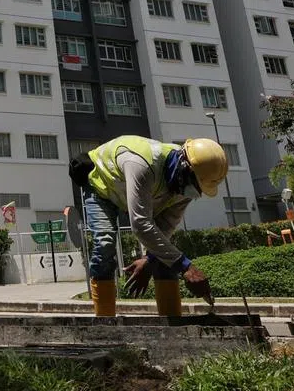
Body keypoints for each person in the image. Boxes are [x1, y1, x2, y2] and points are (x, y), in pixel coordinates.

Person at [68, 135, 228, 317]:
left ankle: (172, 323)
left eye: (199, 189)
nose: (192, 192)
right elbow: (141, 224)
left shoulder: (185, 186)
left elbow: (165, 226)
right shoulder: (143, 164)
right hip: (102, 186)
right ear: (183, 165)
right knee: (105, 245)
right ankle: (105, 320)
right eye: (193, 184)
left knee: (164, 256)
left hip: (131, 191)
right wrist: (186, 267)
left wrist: (149, 259)